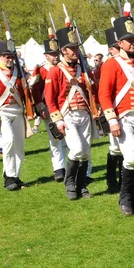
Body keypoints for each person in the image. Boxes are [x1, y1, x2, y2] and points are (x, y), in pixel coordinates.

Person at [99, 15, 134, 216]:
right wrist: (112, 119)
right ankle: (125, 198)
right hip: (123, 117)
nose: (133, 43)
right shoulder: (112, 64)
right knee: (131, 158)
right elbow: (104, 94)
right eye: (129, 40)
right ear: (120, 43)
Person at [44, 26, 96, 200]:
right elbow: (50, 99)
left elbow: (92, 91)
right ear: (63, 51)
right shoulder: (56, 71)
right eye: (71, 48)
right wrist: (58, 120)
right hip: (68, 115)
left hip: (85, 114)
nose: (75, 51)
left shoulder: (83, 68)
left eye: (76, 47)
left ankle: (81, 186)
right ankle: (69, 183)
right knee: (76, 149)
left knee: (86, 152)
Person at [0, 41, 28, 191]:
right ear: (0, 56)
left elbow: (25, 92)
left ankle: (15, 175)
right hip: (2, 112)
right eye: (6, 56)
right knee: (8, 142)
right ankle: (8, 177)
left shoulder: (19, 71)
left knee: (19, 146)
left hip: (19, 110)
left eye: (11, 56)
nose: (9, 59)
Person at [30, 36, 69, 182]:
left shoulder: (62, 68)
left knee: (66, 139)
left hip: (64, 107)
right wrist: (41, 108)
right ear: (46, 55)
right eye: (52, 54)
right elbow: (35, 90)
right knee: (55, 138)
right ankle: (58, 169)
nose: (55, 56)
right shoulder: (40, 69)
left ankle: (68, 166)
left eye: (56, 53)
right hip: (49, 108)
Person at [100, 28, 124, 194]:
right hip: (113, 113)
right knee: (115, 148)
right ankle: (111, 181)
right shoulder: (108, 65)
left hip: (126, 112)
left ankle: (122, 181)